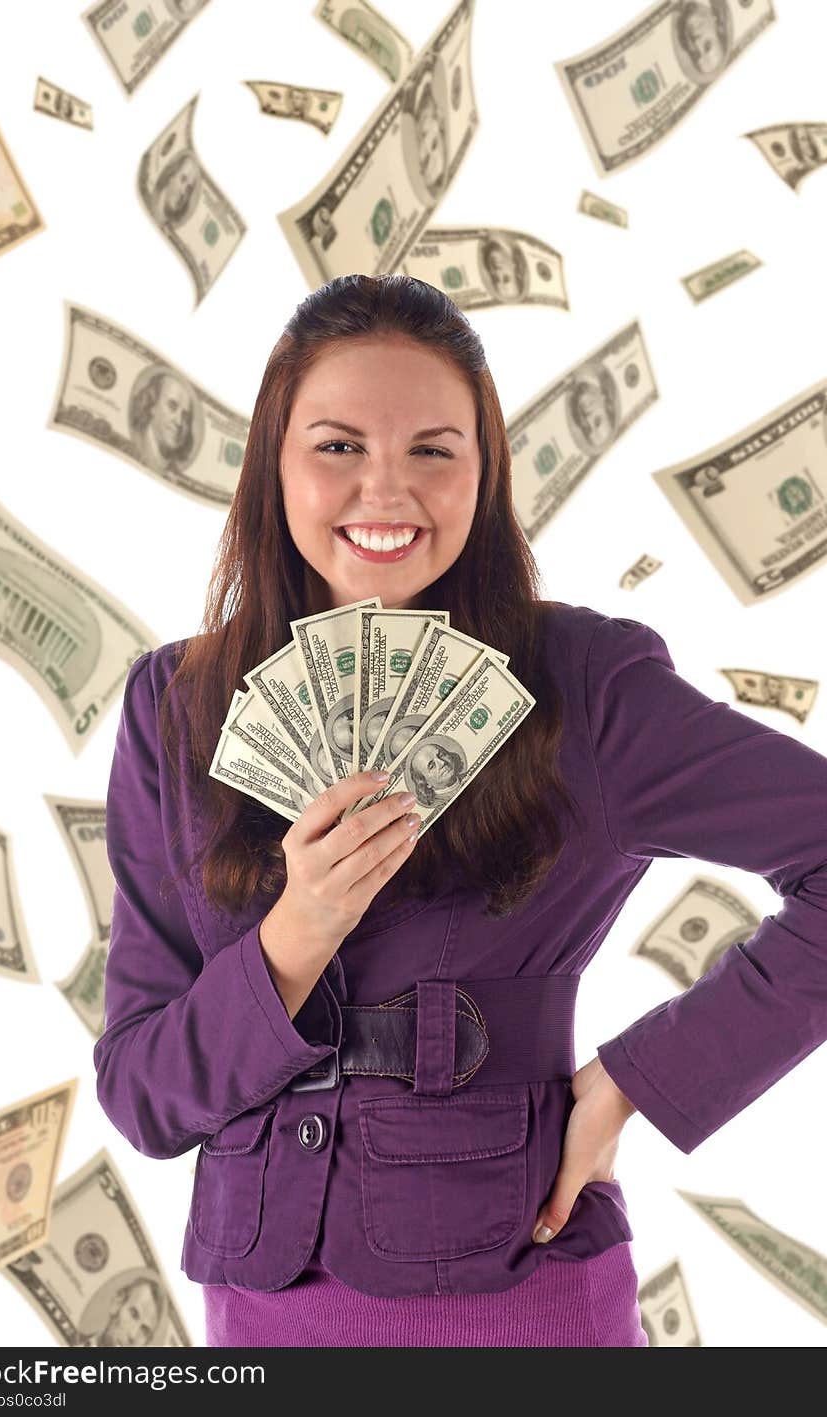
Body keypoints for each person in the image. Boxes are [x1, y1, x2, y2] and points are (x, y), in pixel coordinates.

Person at [94, 273, 827, 1348]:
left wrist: (639, 1075)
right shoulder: (178, 703)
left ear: (485, 474)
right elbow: (142, 1095)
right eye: (337, 446)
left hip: (517, 1299)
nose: (384, 492)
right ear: (272, 469)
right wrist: (294, 938)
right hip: (255, 1310)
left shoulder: (589, 686)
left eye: (432, 450)